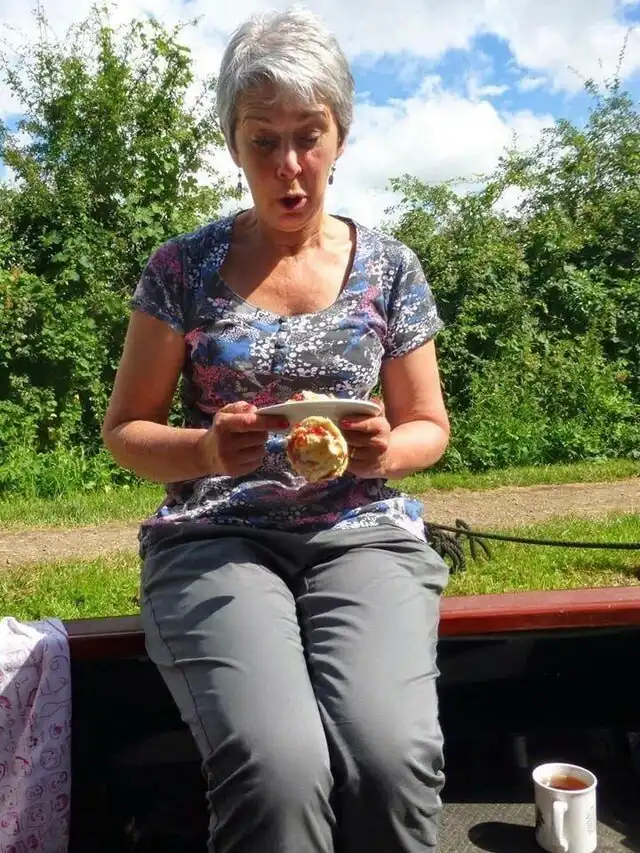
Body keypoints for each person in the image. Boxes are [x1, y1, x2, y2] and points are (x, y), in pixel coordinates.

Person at [102, 7, 451, 852]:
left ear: (340, 136)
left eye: (309, 135)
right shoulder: (180, 268)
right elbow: (125, 429)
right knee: (277, 766)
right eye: (264, 140)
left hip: (361, 532)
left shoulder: (390, 267)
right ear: (233, 142)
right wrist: (202, 449)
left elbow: (428, 425)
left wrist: (383, 449)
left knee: (391, 757)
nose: (289, 165)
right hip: (216, 535)